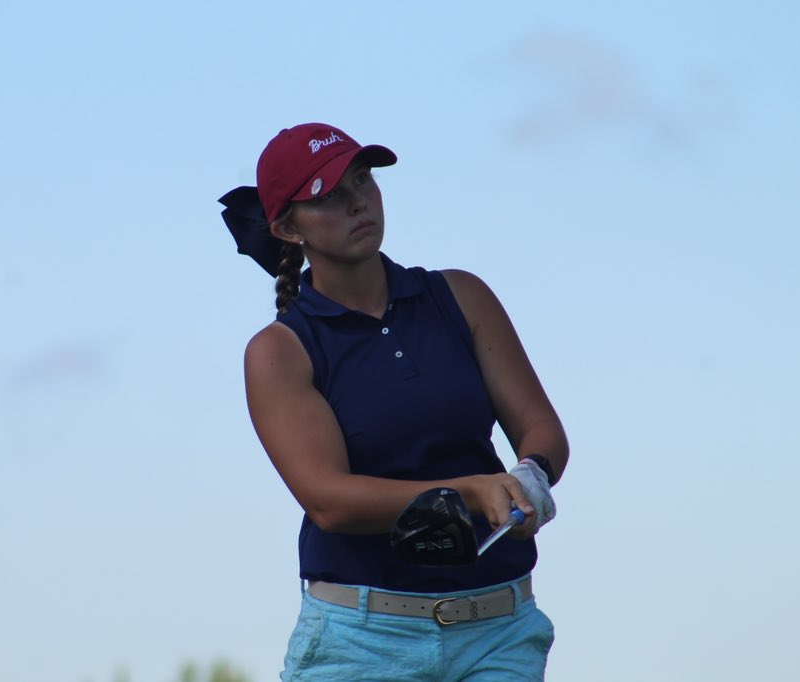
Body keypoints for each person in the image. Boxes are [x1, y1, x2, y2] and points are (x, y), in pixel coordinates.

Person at [219, 122, 569, 681]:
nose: (358, 203)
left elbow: (541, 427)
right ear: (287, 227)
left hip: (498, 634)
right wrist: (475, 491)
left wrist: (531, 473)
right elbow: (329, 501)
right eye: (328, 196)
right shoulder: (280, 351)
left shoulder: (459, 295)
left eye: (363, 181)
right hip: (358, 644)